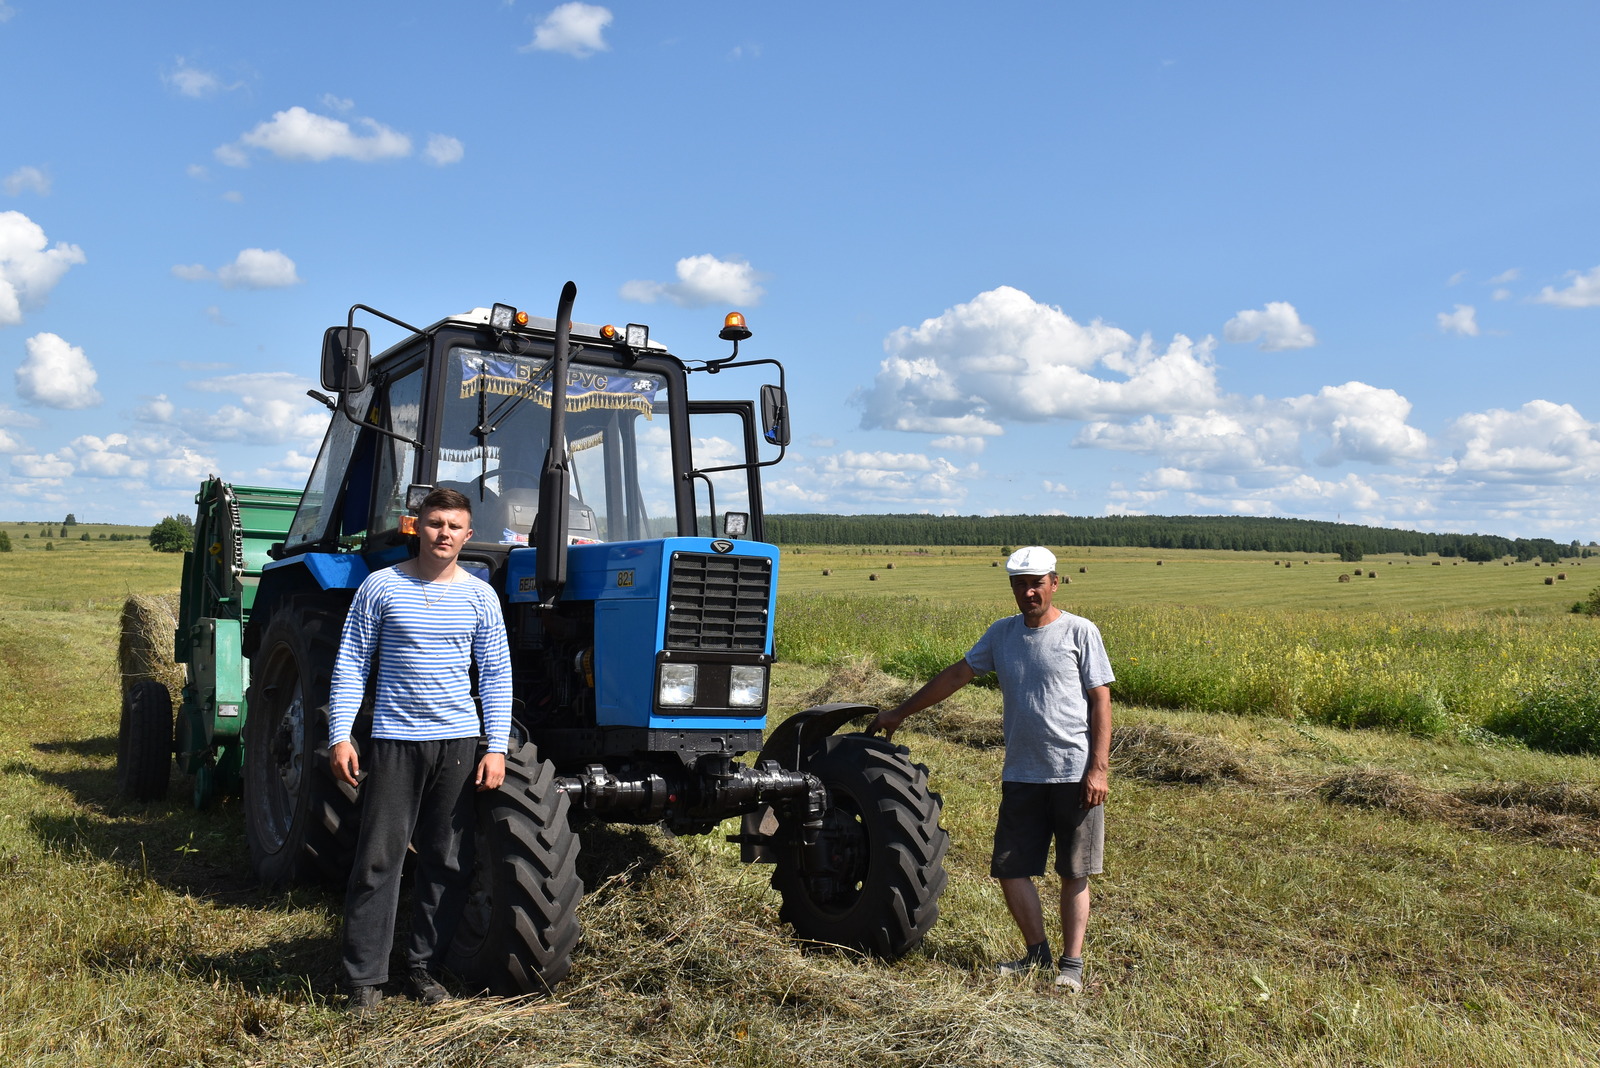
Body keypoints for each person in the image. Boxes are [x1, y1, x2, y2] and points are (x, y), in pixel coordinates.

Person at [868, 545, 1113, 993]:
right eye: (1020, 585)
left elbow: (1101, 700)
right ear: (1013, 589)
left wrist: (1098, 769)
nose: (1029, 592)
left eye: (1037, 583)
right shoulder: (1001, 634)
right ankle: (1036, 953)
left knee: (1073, 872)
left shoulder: (1080, 632)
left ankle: (1071, 966)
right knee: (1010, 867)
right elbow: (956, 676)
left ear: (1054, 583)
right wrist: (900, 712)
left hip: (1073, 773)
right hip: (1021, 772)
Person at [327, 486, 512, 1013]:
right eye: (435, 523)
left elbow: (496, 675)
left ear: (468, 535)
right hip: (394, 742)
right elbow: (351, 665)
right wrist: (341, 734)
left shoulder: (481, 596)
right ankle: (365, 979)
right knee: (378, 861)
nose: (444, 534)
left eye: (454, 526)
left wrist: (494, 746)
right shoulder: (381, 587)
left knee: (447, 860)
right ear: (417, 527)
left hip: (457, 742)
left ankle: (424, 968)